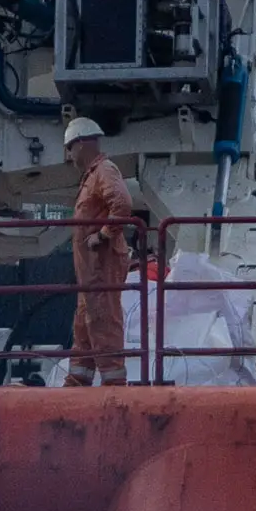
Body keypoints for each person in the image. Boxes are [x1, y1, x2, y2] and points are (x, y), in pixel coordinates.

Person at [65, 113, 156, 383]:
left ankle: (114, 385)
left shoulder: (104, 171)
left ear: (81, 143)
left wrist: (103, 235)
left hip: (100, 266)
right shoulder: (93, 176)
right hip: (90, 270)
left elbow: (122, 205)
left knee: (102, 320)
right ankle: (77, 382)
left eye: (70, 148)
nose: (69, 155)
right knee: (84, 323)